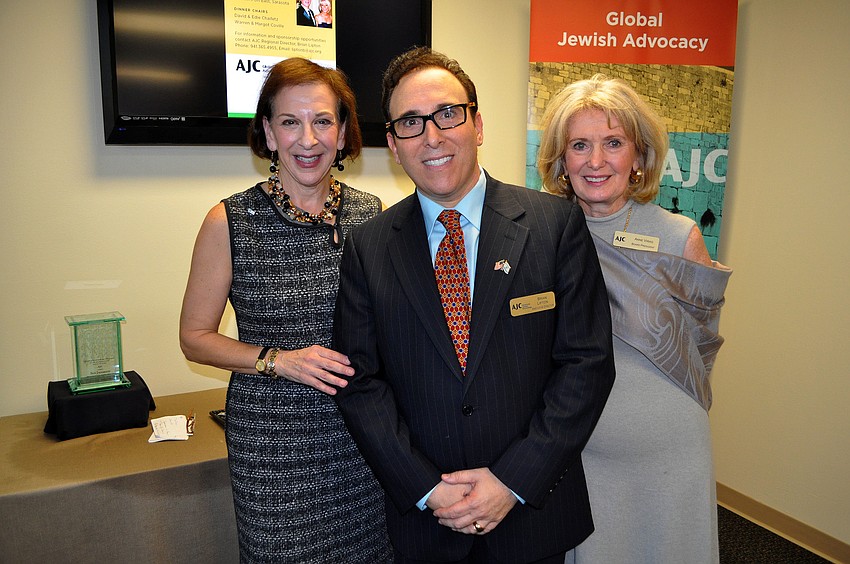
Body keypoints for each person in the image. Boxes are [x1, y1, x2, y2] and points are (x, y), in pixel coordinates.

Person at [331, 46, 616, 564]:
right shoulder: (368, 247)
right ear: (393, 145)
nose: (432, 136)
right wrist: (425, 488)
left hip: (532, 514)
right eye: (411, 123)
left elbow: (587, 365)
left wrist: (512, 480)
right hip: (427, 521)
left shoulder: (554, 225)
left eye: (447, 114)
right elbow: (361, 383)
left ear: (477, 124)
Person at [179, 57, 391, 563]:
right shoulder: (229, 220)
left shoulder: (372, 214)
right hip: (275, 448)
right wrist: (280, 359)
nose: (308, 139)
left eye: (322, 121)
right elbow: (194, 337)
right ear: (269, 135)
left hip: (363, 438)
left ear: (343, 133)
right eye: (290, 122)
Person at [537, 74, 732, 564]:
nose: (596, 161)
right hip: (577, 455)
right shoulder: (536, 237)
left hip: (668, 450)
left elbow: (697, 357)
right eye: (580, 145)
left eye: (613, 143)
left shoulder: (681, 236)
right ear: (561, 160)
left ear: (639, 156)